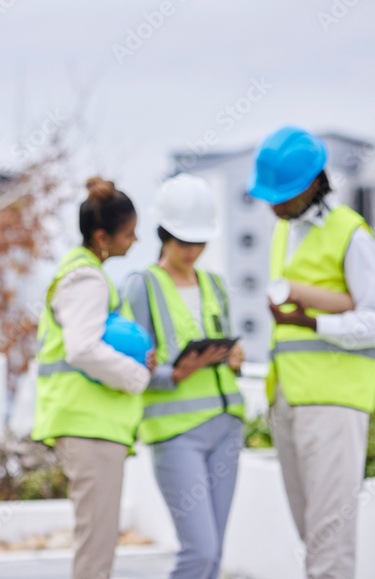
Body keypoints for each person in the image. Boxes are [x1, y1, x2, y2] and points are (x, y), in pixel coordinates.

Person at [249, 126, 375, 578]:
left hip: (334, 401)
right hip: (290, 400)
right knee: (312, 536)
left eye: (281, 195)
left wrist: (313, 323)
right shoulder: (283, 233)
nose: (272, 205)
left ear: (313, 184)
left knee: (329, 542)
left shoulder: (351, 234)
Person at [31, 177, 155, 579]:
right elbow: (82, 348)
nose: (135, 241)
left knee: (97, 543)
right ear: (102, 237)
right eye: (130, 233)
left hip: (91, 425)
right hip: (90, 426)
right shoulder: (87, 278)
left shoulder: (82, 272)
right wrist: (138, 375)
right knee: (96, 550)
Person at [124, 174, 245, 579]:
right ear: (163, 235)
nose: (192, 251)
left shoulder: (215, 285)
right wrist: (175, 372)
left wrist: (235, 358)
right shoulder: (142, 287)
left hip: (226, 427)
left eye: (199, 242)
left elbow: (228, 351)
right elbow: (133, 366)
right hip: (176, 433)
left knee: (214, 556)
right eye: (183, 242)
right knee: (200, 551)